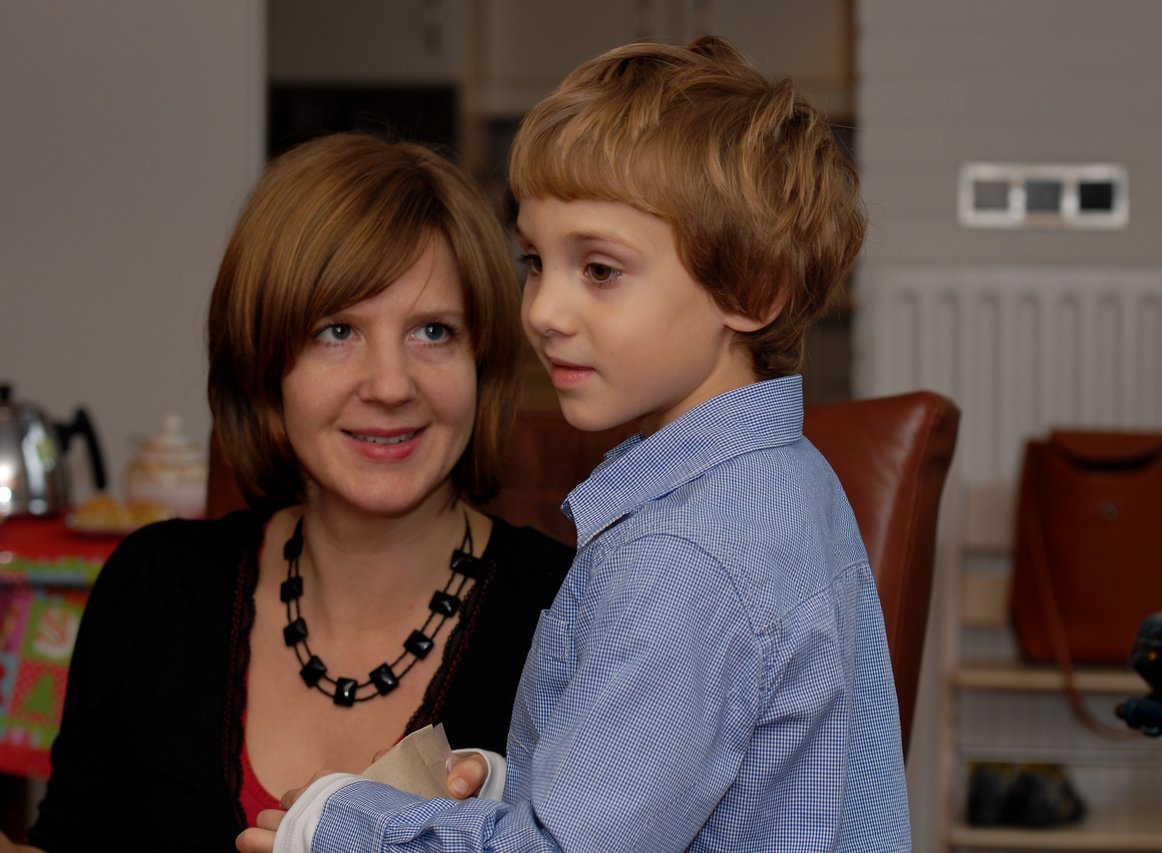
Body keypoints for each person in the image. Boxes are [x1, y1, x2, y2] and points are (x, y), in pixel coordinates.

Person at [242, 36, 911, 852]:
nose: (543, 311)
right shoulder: (790, 481)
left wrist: (336, 822)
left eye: (598, 269)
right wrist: (511, 783)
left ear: (751, 290)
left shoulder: (683, 556)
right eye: (535, 261)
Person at [4, 132, 573, 853]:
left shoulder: (568, 613)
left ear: (482, 361)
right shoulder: (155, 585)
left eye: (433, 331)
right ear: (263, 363)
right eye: (337, 331)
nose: (391, 385)